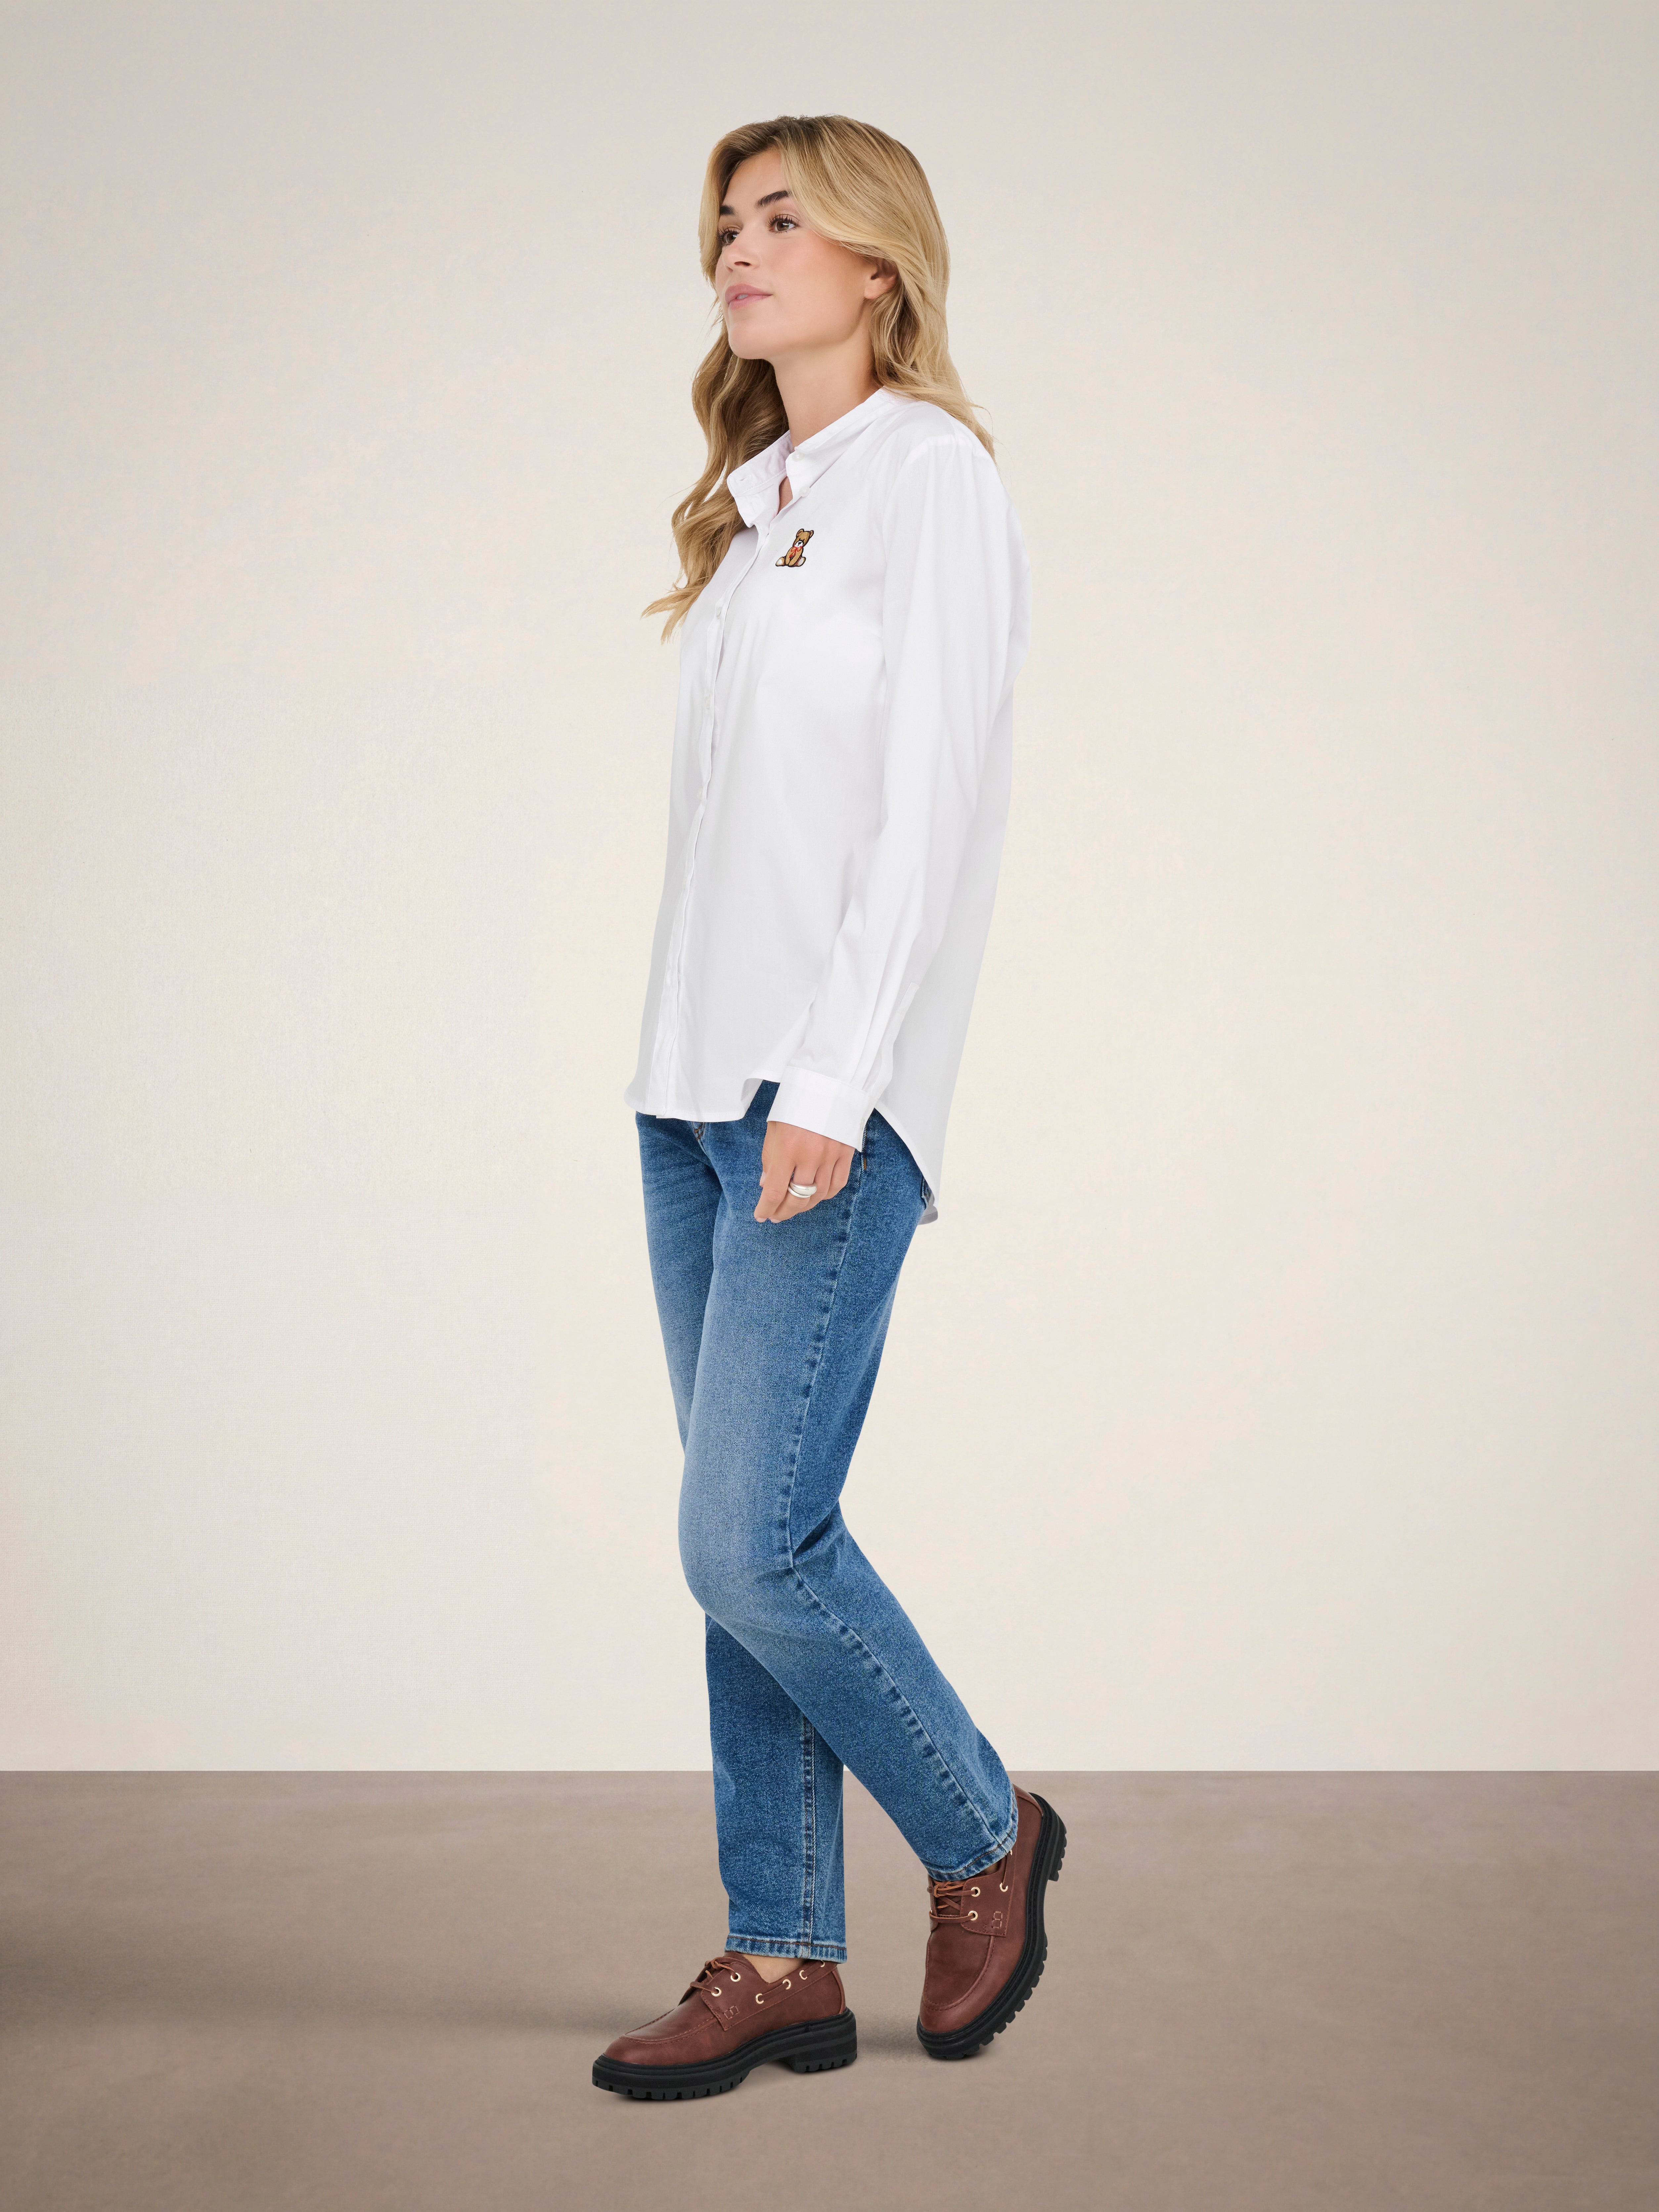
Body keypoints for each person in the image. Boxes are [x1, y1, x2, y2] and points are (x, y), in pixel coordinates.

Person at [594, 113, 1063, 2104]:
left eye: (784, 217)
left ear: (881, 261)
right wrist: (692, 1075)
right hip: (688, 1094)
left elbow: (928, 805)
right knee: (748, 1555)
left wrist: (839, 1077)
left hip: (817, 1098)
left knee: (747, 1542)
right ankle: (782, 1952)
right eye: (726, 220)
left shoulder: (927, 477)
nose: (740, 246)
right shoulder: (755, 504)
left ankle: (980, 1829)